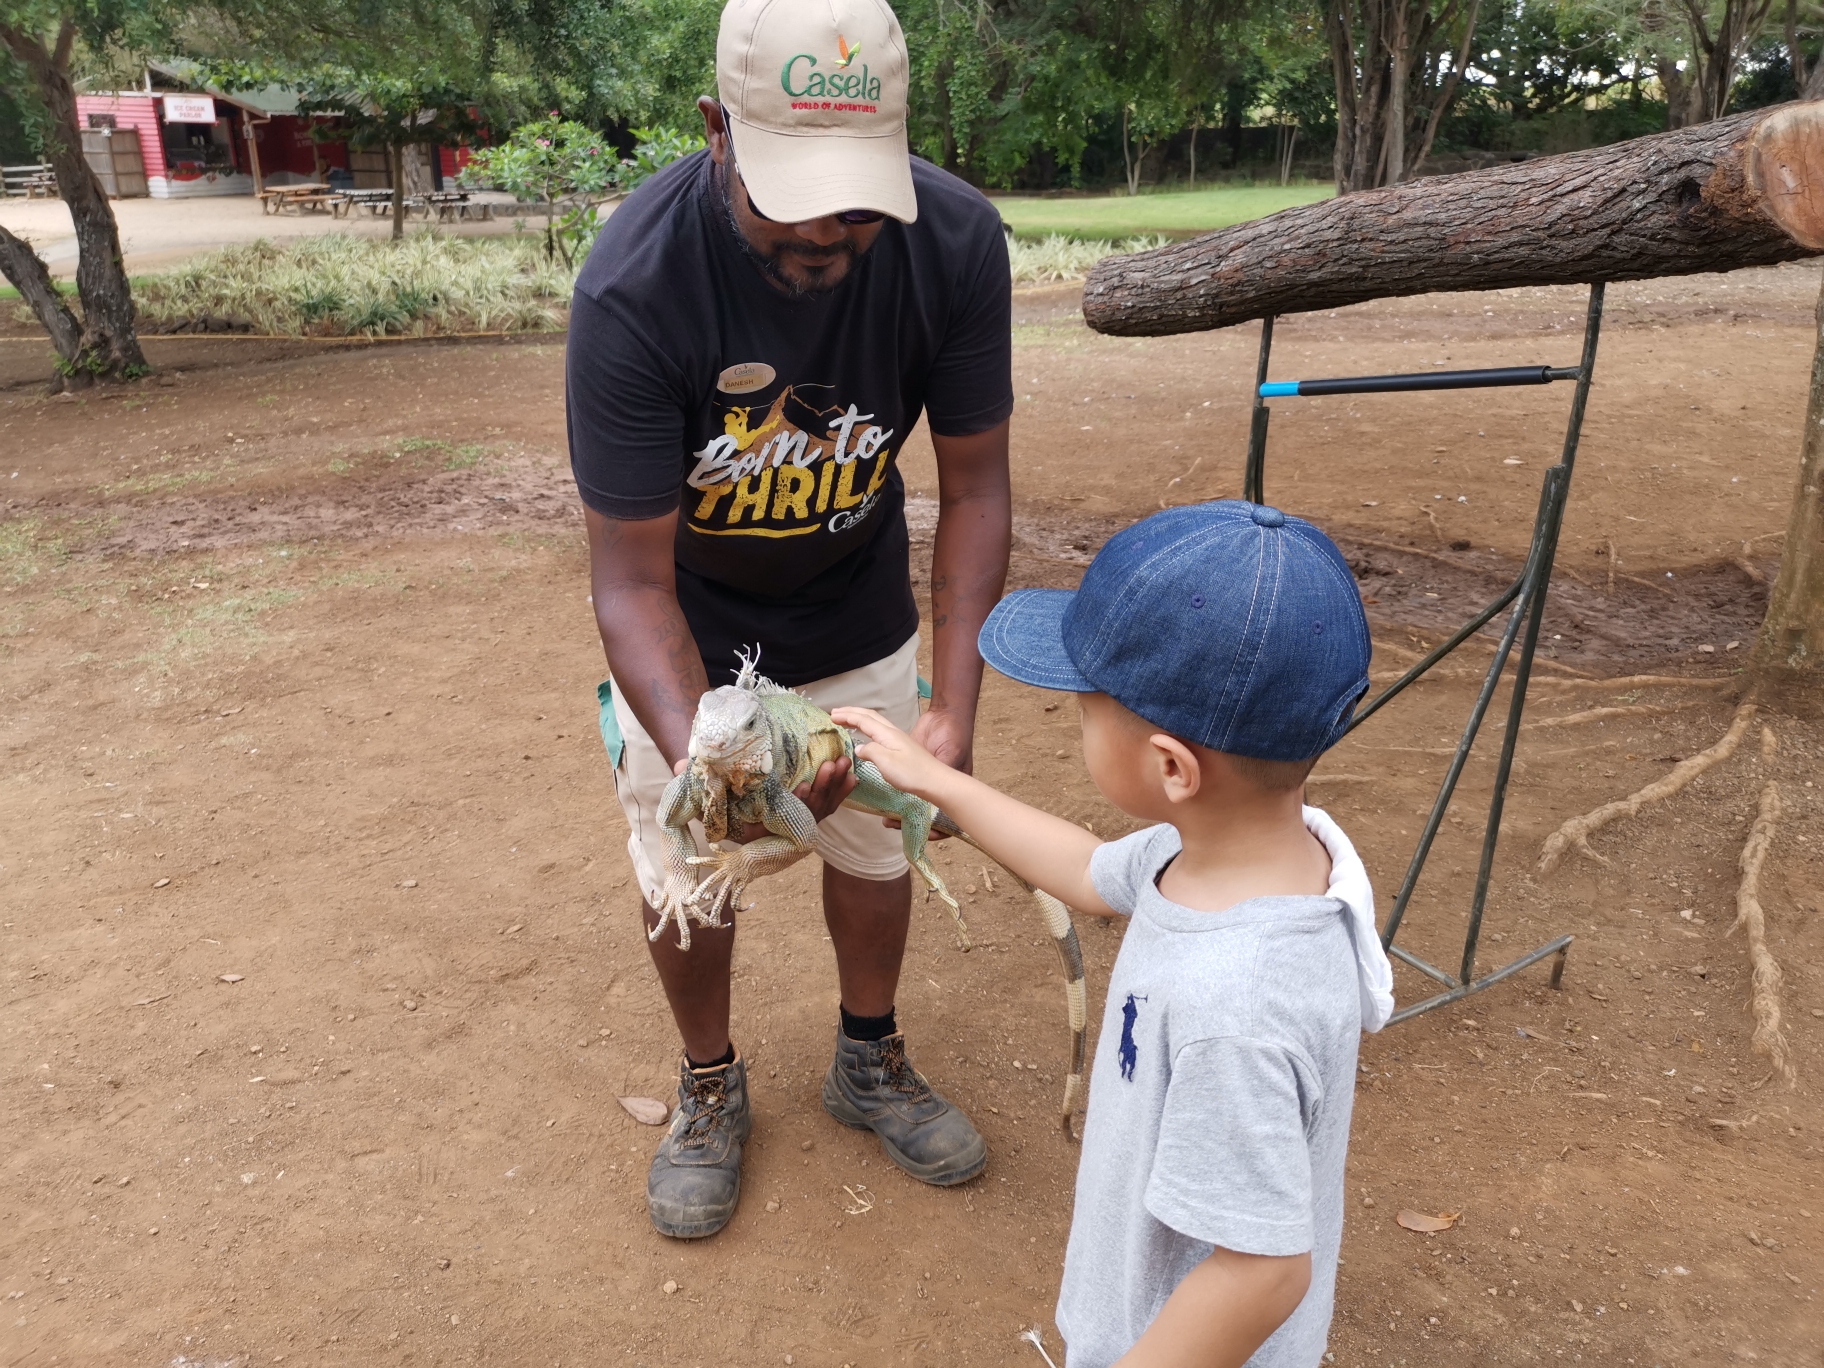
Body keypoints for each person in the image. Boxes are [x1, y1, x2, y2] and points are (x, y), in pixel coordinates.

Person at [566, 0, 1013, 1241]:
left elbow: (976, 487)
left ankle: (866, 1056)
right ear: (717, 132)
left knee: (878, 850)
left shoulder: (958, 242)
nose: (831, 232)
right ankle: (710, 1084)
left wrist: (953, 707)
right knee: (689, 867)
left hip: (857, 608)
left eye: (859, 199)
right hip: (691, 639)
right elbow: (629, 584)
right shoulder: (633, 289)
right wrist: (719, 751)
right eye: (796, 198)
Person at [835, 500, 1397, 1368]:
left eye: (1085, 709)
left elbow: (1264, 1270)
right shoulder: (1247, 850)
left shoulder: (1234, 1005)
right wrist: (934, 785)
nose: (1075, 721)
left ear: (1173, 767)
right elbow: (1093, 872)